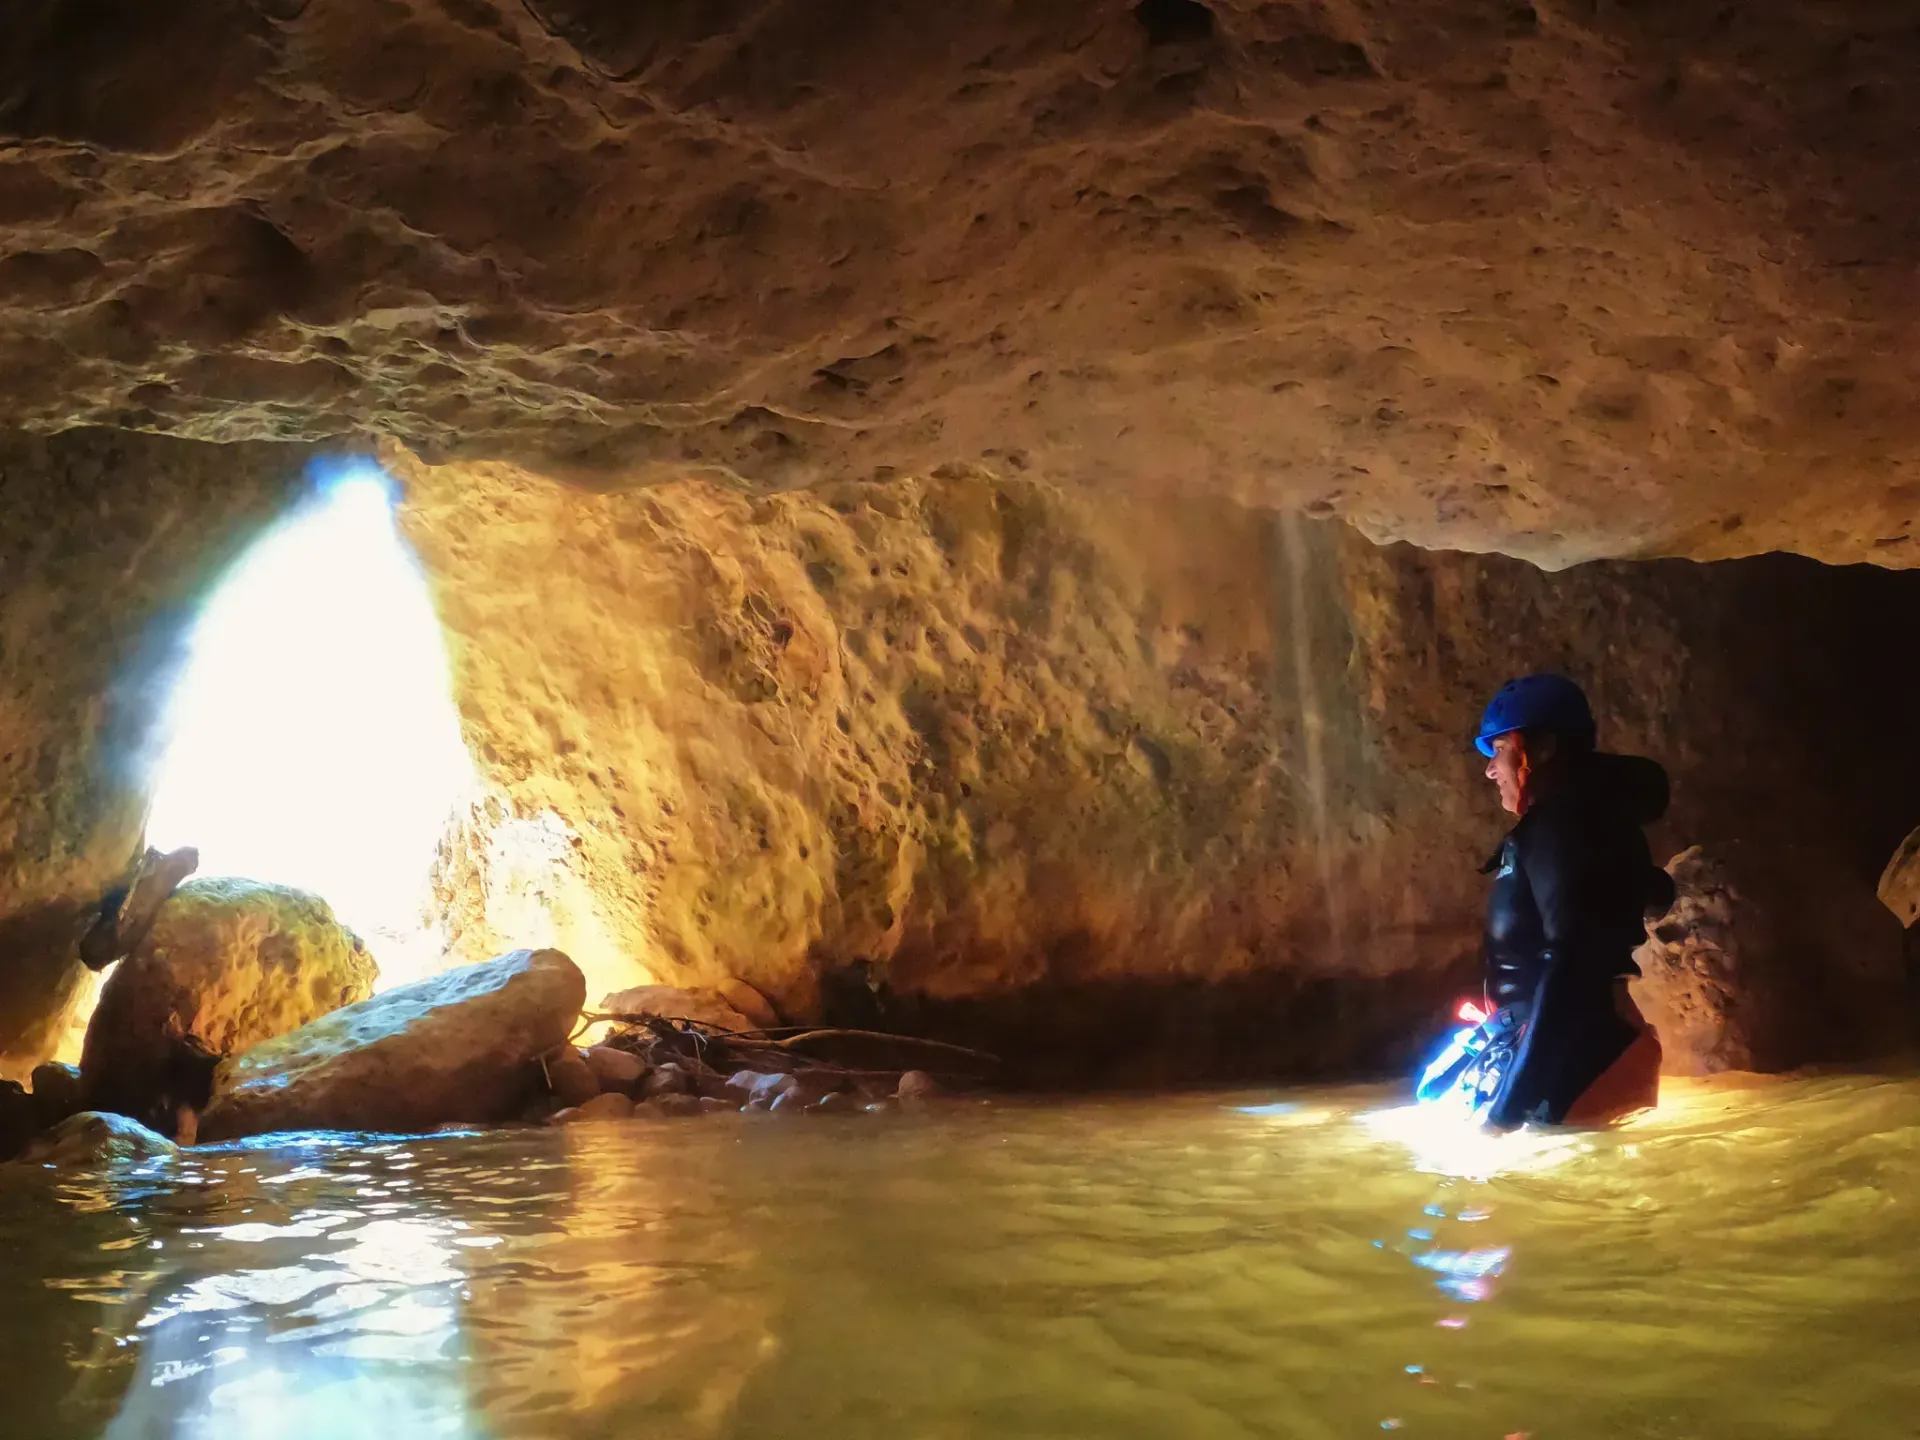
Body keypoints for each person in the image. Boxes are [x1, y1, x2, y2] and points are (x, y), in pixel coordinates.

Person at [1473, 673, 1672, 1129]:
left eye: (1500, 748)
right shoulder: (1583, 823)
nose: (1489, 768)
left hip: (1575, 1060)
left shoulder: (1558, 826)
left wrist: (1508, 1112)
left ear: (1541, 750)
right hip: (1576, 1052)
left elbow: (1572, 963)